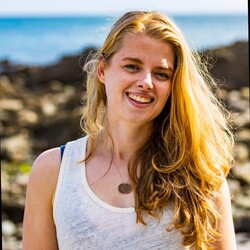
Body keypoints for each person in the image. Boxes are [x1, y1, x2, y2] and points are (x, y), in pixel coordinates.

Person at [22, 11, 237, 250]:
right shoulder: (52, 170)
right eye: (132, 66)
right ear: (102, 70)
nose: (146, 82)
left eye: (161, 74)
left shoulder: (201, 175)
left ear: (173, 86)